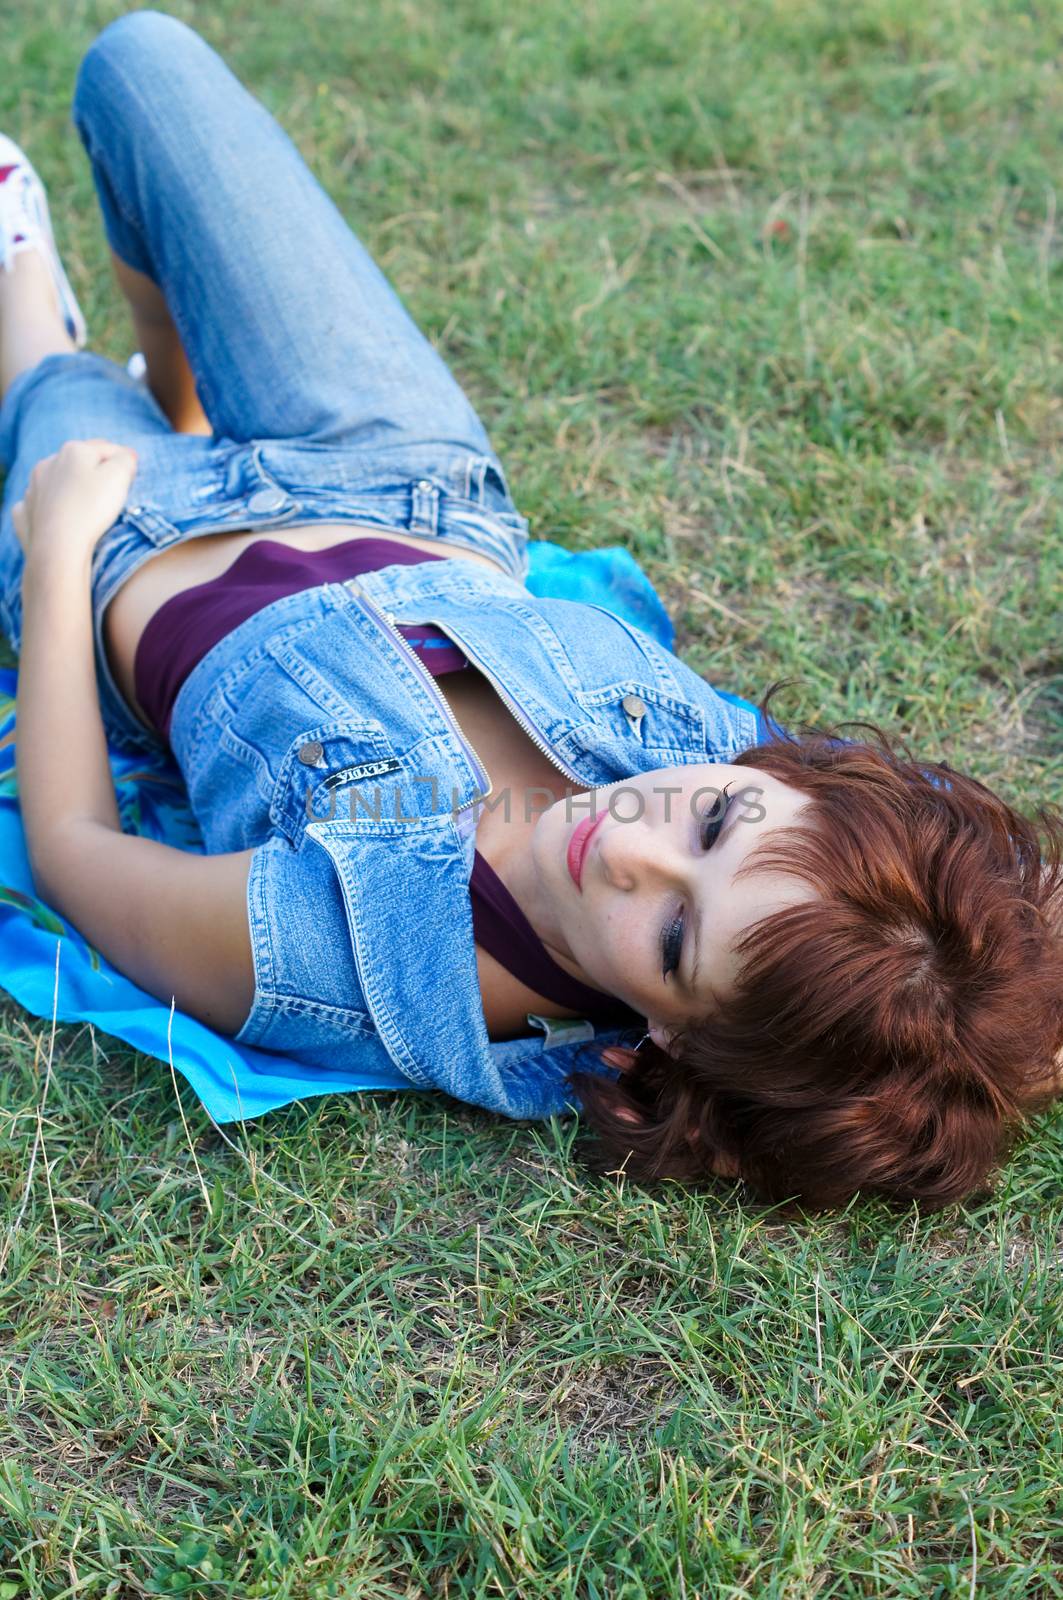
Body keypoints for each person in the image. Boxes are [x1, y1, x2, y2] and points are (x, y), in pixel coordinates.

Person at [1, 12, 1060, 1214]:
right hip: (394, 466)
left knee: (43, 374)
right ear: (793, 782)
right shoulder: (809, 850)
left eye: (672, 936)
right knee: (142, 65)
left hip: (144, 541)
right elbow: (981, 911)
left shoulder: (357, 959)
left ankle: (34, 293)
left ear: (669, 1046)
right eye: (711, 823)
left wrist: (58, 554)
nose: (626, 844)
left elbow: (79, 860)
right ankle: (173, 389)